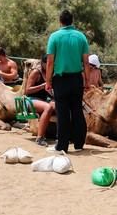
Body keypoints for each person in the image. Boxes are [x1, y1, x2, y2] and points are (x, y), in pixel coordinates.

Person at [45, 10, 90, 153]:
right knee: (77, 110)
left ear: (60, 21)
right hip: (77, 78)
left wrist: (48, 81)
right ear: (72, 20)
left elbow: (50, 62)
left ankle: (62, 146)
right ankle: (79, 144)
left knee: (62, 112)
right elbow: (86, 62)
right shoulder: (81, 37)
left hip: (61, 79)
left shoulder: (54, 37)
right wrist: (87, 80)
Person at [25, 55, 56, 146]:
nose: (51, 66)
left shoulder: (51, 74)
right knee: (48, 107)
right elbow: (27, 90)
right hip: (31, 100)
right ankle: (40, 137)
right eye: (49, 64)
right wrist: (42, 86)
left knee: (60, 106)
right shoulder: (36, 72)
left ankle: (59, 135)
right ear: (43, 63)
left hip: (43, 100)